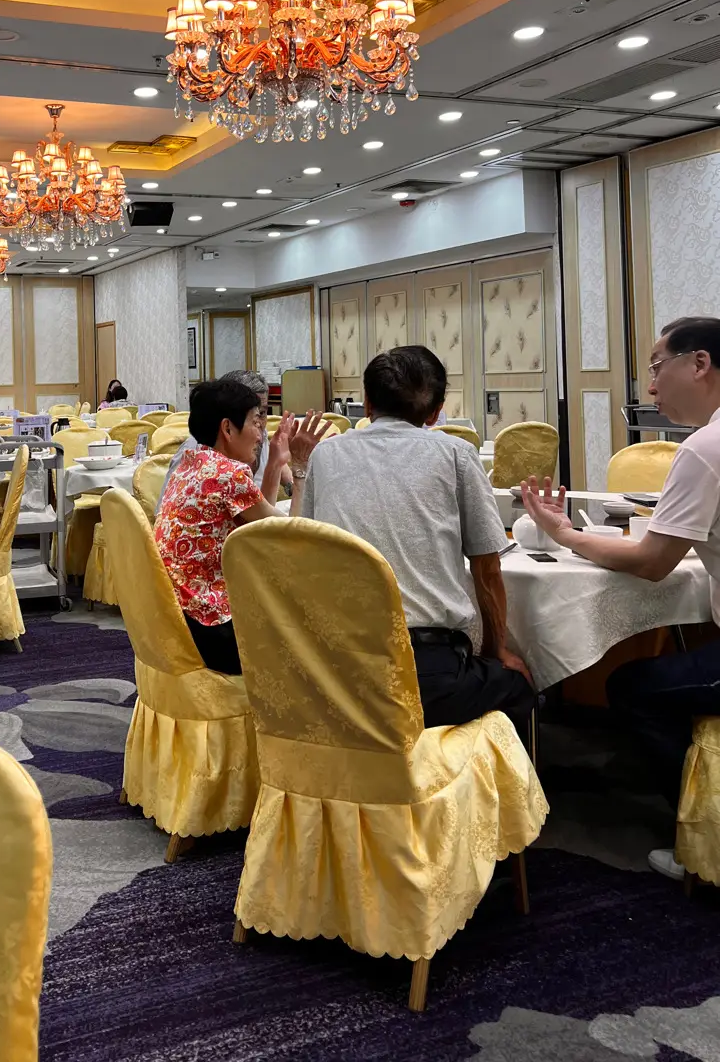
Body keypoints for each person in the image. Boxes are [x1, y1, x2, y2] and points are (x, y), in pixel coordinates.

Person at [521, 314, 720, 881]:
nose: (651, 387)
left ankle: (701, 836)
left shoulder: (705, 448)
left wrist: (565, 534)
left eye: (657, 368)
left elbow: (653, 563)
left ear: (699, 363)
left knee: (634, 688)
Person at [301, 345, 536, 743]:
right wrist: (498, 649)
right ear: (435, 412)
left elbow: (306, 545)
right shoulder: (456, 454)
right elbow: (487, 567)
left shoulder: (324, 454)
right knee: (518, 685)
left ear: (367, 403)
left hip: (333, 667)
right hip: (423, 672)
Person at [154, 376, 327, 675]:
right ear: (227, 428)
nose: (260, 435)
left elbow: (258, 527)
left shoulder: (193, 463)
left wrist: (276, 463)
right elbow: (291, 535)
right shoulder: (226, 473)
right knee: (314, 630)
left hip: (175, 619)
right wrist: (299, 468)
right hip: (213, 629)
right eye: (255, 423)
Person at [157, 370, 272, 512]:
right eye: (254, 419)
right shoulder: (227, 472)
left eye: (263, 414)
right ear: (228, 428)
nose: (259, 429)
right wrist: (284, 467)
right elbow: (272, 522)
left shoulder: (194, 459)